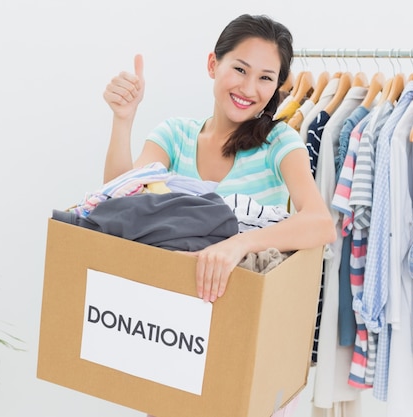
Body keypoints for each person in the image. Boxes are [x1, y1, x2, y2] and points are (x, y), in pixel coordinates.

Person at [103, 13, 336, 417]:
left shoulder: (279, 142)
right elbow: (119, 203)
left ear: (278, 86)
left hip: (246, 345)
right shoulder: (174, 134)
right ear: (214, 64)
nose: (249, 88)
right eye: (240, 69)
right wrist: (123, 120)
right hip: (175, 340)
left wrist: (237, 244)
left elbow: (320, 222)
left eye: (266, 77)